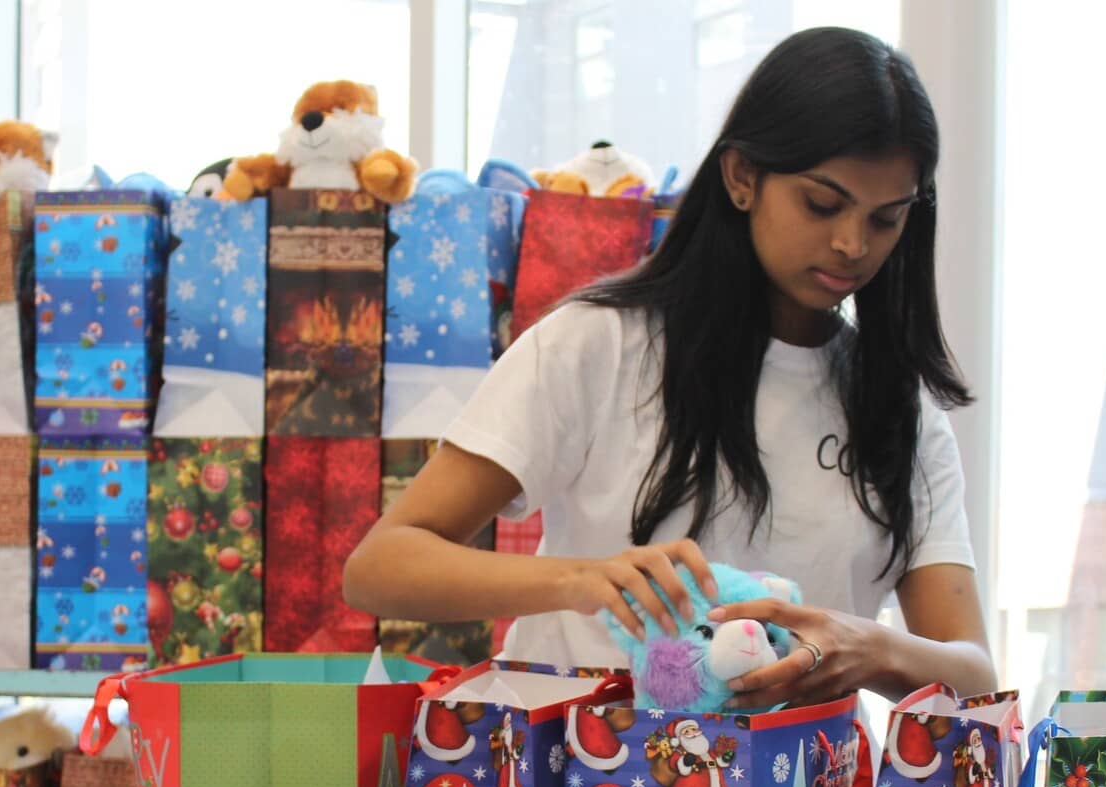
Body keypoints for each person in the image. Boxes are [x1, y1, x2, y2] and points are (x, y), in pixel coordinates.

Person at [344, 26, 998, 709]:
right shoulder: (598, 344)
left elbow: (974, 672)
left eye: (887, 219)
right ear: (742, 176)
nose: (851, 243)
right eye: (822, 204)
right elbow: (380, 567)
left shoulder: (898, 407)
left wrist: (871, 648)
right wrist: (587, 581)